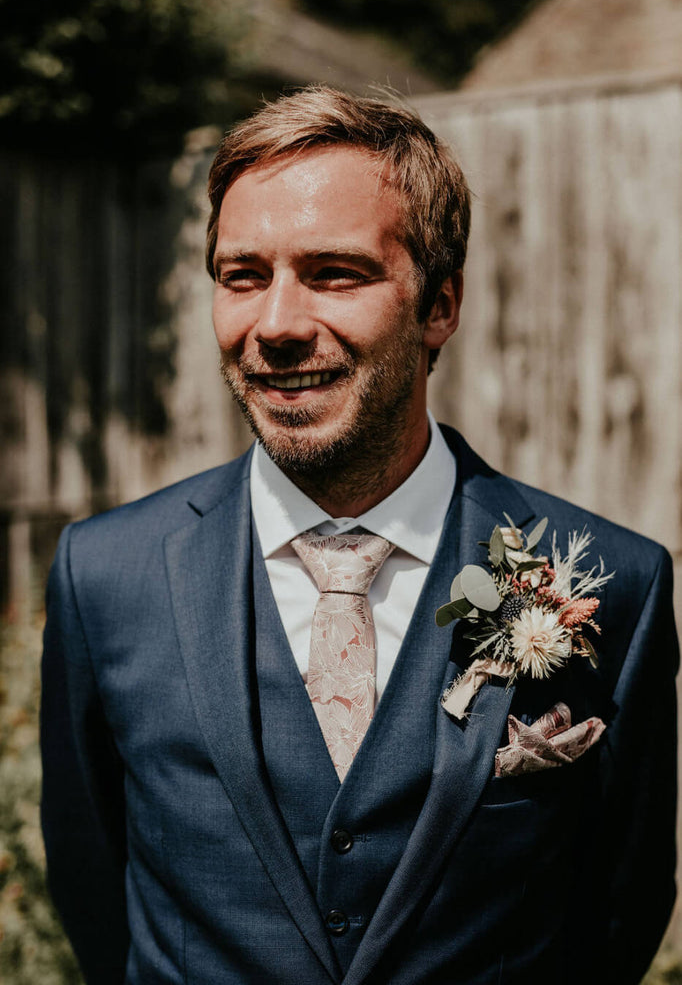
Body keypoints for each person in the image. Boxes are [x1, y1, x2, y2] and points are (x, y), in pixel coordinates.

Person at [41, 86, 678, 985]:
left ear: (440, 306)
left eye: (336, 273)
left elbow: (621, 904)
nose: (277, 326)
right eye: (243, 276)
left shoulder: (615, 581)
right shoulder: (102, 575)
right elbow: (94, 886)